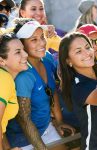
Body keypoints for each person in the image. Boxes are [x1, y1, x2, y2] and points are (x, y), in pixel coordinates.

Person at [6, 19, 74, 150]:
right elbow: (24, 120)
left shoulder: (47, 58)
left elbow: (52, 91)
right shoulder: (24, 76)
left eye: (42, 37)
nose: (42, 42)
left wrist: (59, 122)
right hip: (22, 138)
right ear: (22, 44)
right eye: (34, 40)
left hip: (45, 127)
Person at [0, 33, 28, 150]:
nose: (26, 54)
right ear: (2, 61)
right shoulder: (4, 79)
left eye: (23, 50)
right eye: (18, 52)